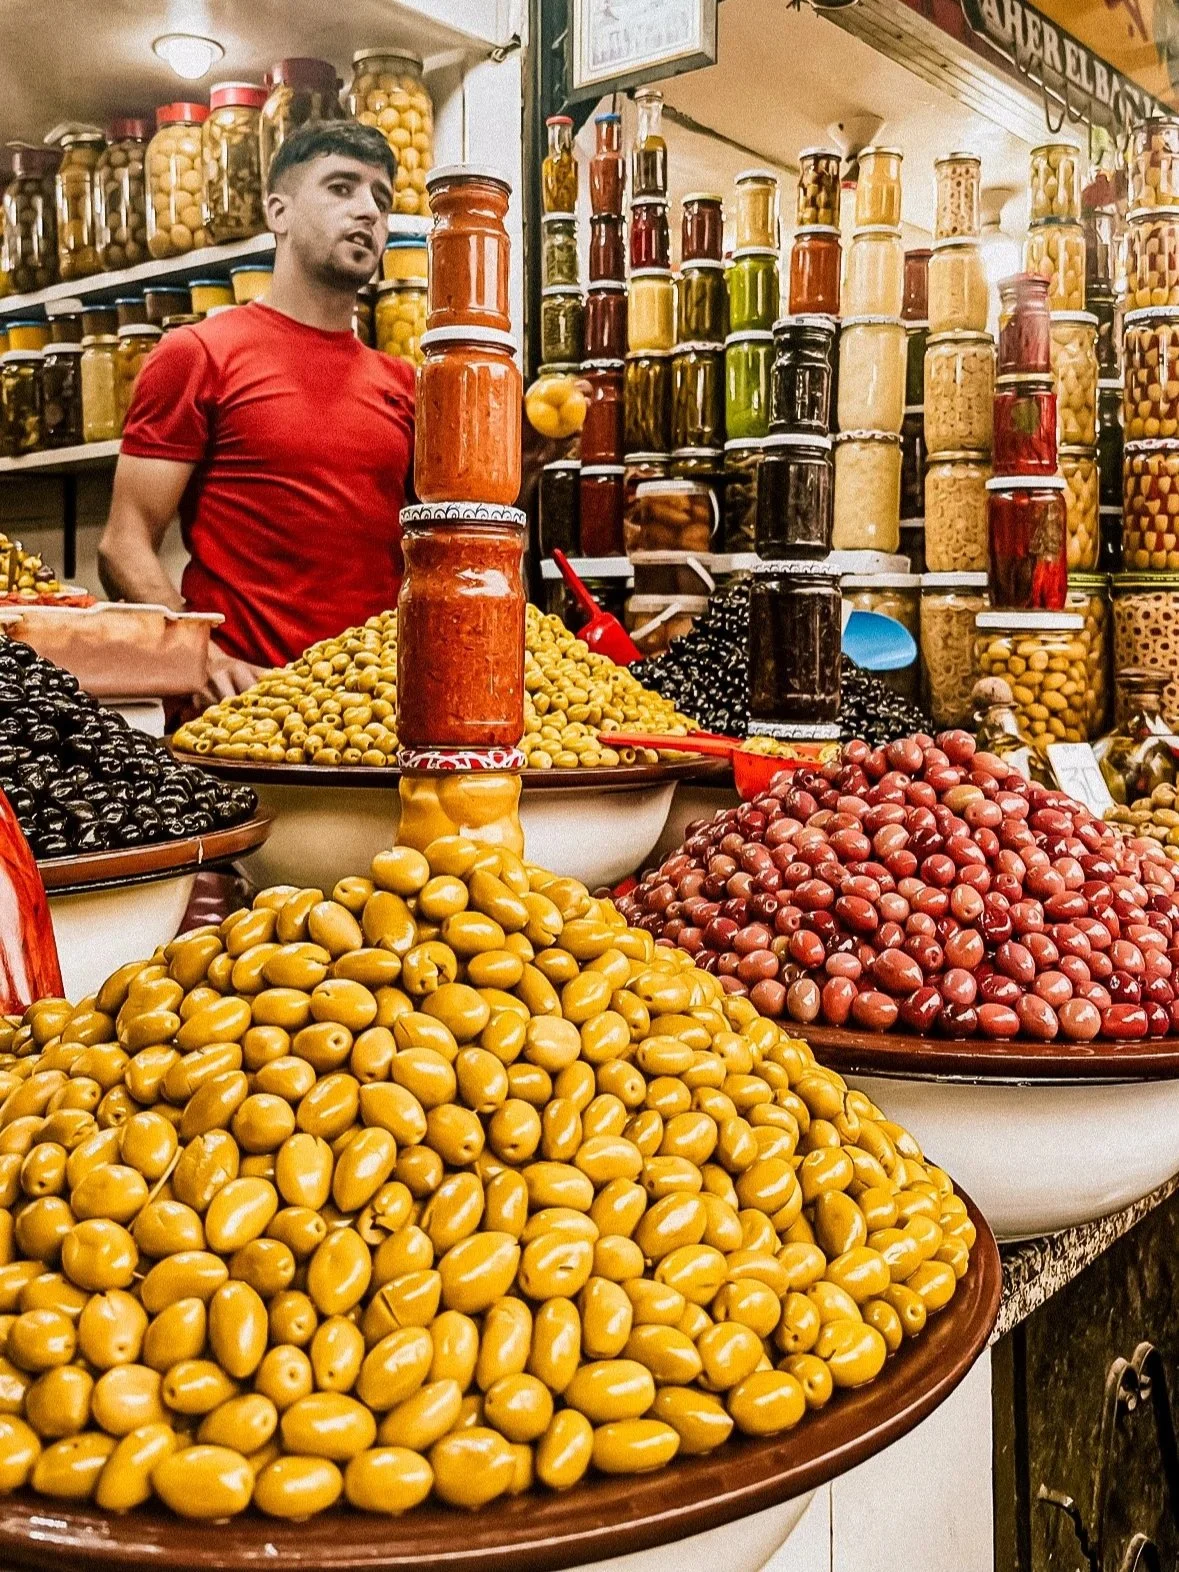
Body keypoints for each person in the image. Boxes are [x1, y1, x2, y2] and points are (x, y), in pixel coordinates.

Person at [98, 120, 415, 700]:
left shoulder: (405, 384)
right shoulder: (197, 354)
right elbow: (123, 543)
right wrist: (200, 657)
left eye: (381, 198)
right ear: (279, 212)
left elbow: (438, 546)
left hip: (372, 718)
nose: (368, 211)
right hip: (244, 715)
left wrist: (529, 464)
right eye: (342, 188)